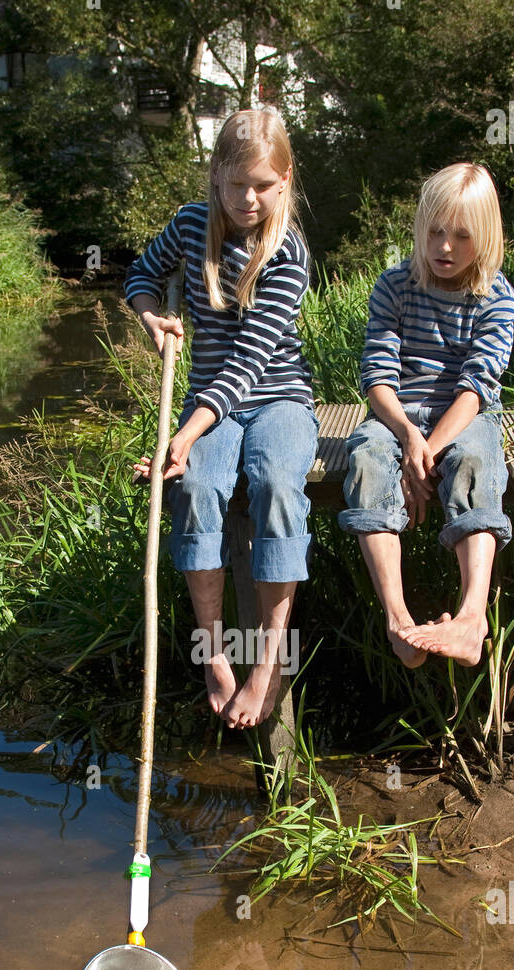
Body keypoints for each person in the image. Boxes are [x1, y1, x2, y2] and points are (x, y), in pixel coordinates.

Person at [124, 108, 318, 729]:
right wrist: (152, 316)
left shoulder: (289, 250)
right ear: (215, 177)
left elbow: (247, 363)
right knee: (197, 487)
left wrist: (178, 437)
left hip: (277, 396)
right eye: (236, 185)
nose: (248, 198)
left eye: (262, 184)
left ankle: (268, 662)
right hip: (210, 406)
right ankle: (213, 655)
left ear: (285, 181)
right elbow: (140, 276)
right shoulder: (189, 224)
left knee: (277, 488)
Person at [338, 162, 514, 668]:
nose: (444, 247)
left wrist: (428, 451)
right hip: (398, 412)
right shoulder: (394, 284)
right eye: (435, 231)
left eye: (461, 236)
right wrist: (407, 439)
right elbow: (376, 377)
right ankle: (398, 621)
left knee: (473, 465)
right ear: (420, 227)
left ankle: (471, 619)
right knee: (368, 458)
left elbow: (477, 387)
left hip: (463, 415)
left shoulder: (496, 295)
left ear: (484, 236)